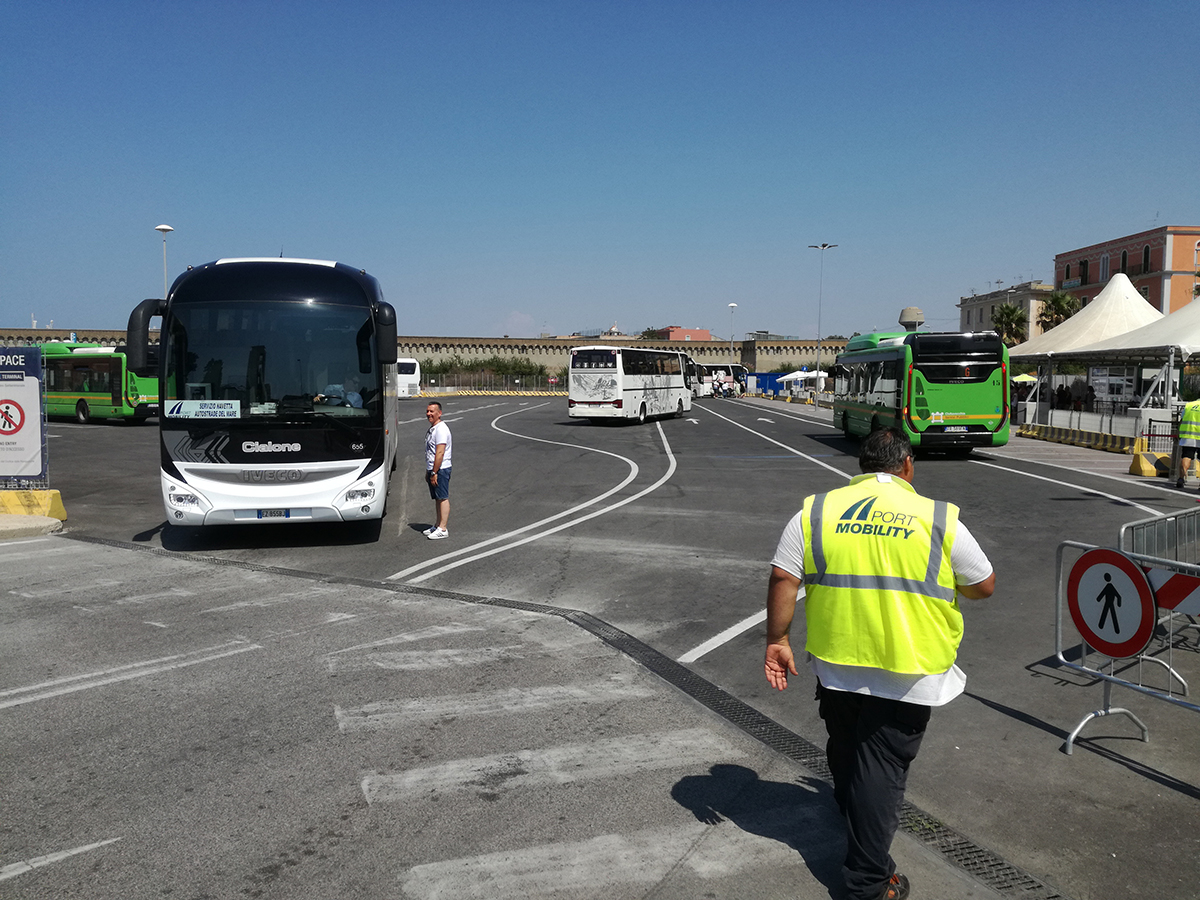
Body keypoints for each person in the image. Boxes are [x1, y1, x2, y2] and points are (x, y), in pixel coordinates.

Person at [764, 428, 995, 900]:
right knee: (882, 770)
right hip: (908, 667)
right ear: (907, 466)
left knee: (846, 745)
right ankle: (869, 882)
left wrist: (777, 640)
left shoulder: (816, 512)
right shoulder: (938, 517)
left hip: (837, 661)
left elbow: (784, 577)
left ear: (862, 467)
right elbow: (984, 584)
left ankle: (850, 806)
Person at [424, 401, 452, 540]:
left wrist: (434, 472)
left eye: (432, 411)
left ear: (439, 413)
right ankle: (437, 525)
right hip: (433, 468)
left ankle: (443, 528)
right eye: (428, 411)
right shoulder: (433, 428)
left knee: (442, 498)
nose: (429, 414)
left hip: (441, 469)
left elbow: (439, 453)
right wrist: (428, 471)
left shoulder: (441, 429)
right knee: (437, 498)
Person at [1176, 396, 1200, 489]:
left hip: (1188, 435)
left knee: (1186, 456)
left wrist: (1178, 433)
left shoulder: (1189, 405)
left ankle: (1181, 478)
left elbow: (1181, 420)